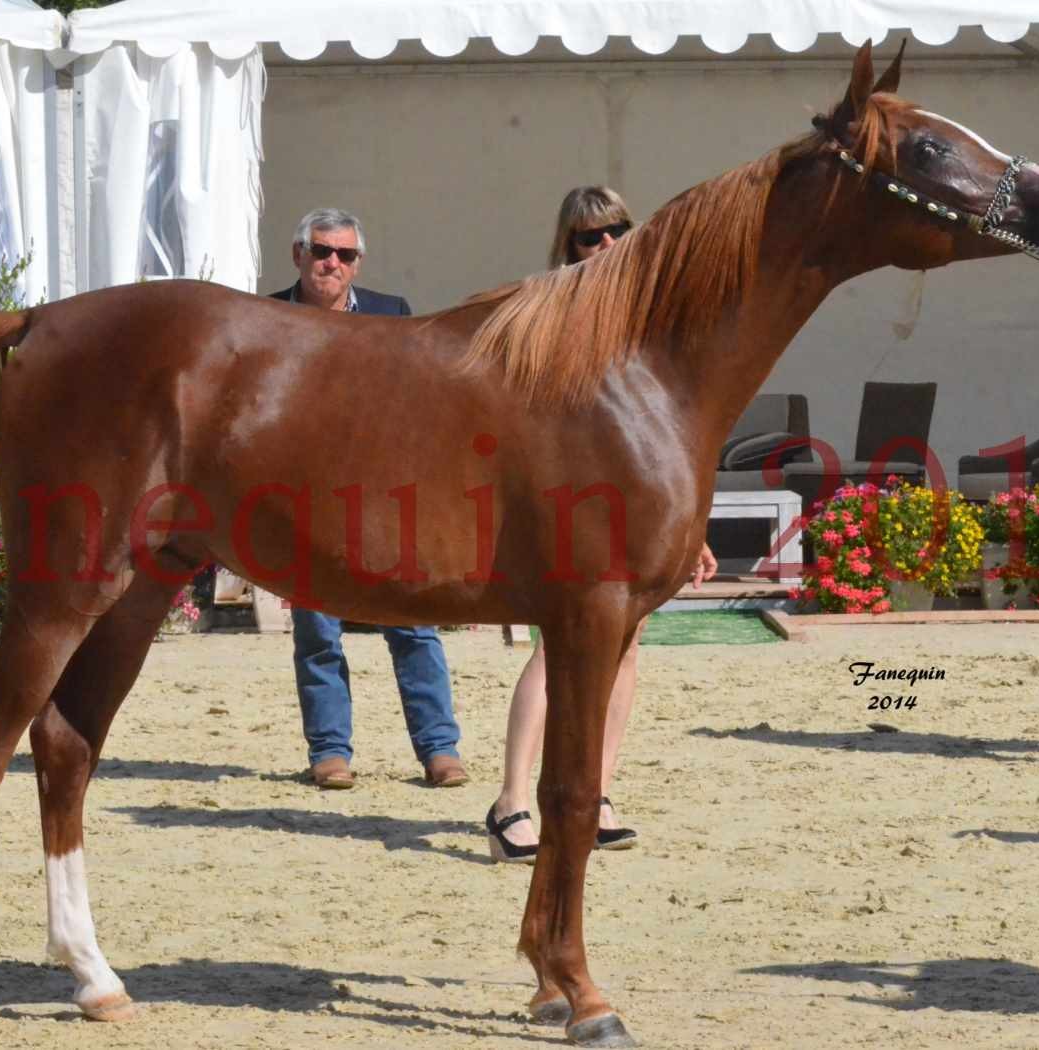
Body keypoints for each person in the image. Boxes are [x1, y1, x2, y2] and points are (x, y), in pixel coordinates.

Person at [485, 187, 718, 863]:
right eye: (591, 236)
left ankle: (597, 793)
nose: (608, 245)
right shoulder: (551, 306)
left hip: (632, 497)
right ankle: (510, 801)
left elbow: (666, 427)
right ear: (569, 246)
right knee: (554, 646)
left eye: (617, 230)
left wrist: (688, 525)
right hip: (568, 491)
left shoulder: (649, 316)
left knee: (628, 642)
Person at [271, 207, 468, 790]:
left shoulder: (392, 314)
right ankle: (330, 752)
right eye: (321, 250)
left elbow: (422, 400)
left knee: (413, 623)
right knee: (316, 629)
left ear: (358, 263)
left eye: (345, 254)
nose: (332, 262)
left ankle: (439, 749)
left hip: (386, 494)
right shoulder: (267, 317)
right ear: (298, 254)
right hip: (304, 495)